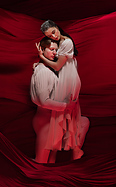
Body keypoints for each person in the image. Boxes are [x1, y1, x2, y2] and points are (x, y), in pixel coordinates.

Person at [37, 20, 89, 161]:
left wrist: (42, 58)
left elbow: (58, 66)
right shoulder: (59, 43)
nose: (53, 36)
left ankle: (75, 151)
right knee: (61, 117)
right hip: (63, 82)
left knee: (67, 117)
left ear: (57, 27)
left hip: (69, 82)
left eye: (53, 32)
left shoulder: (67, 42)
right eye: (49, 36)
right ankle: (59, 153)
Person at [30, 37, 77, 163]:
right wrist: (66, 106)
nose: (55, 53)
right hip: (45, 121)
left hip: (51, 121)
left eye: (56, 50)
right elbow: (44, 101)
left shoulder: (46, 70)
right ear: (41, 49)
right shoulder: (43, 72)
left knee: (50, 161)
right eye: (51, 49)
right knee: (41, 162)